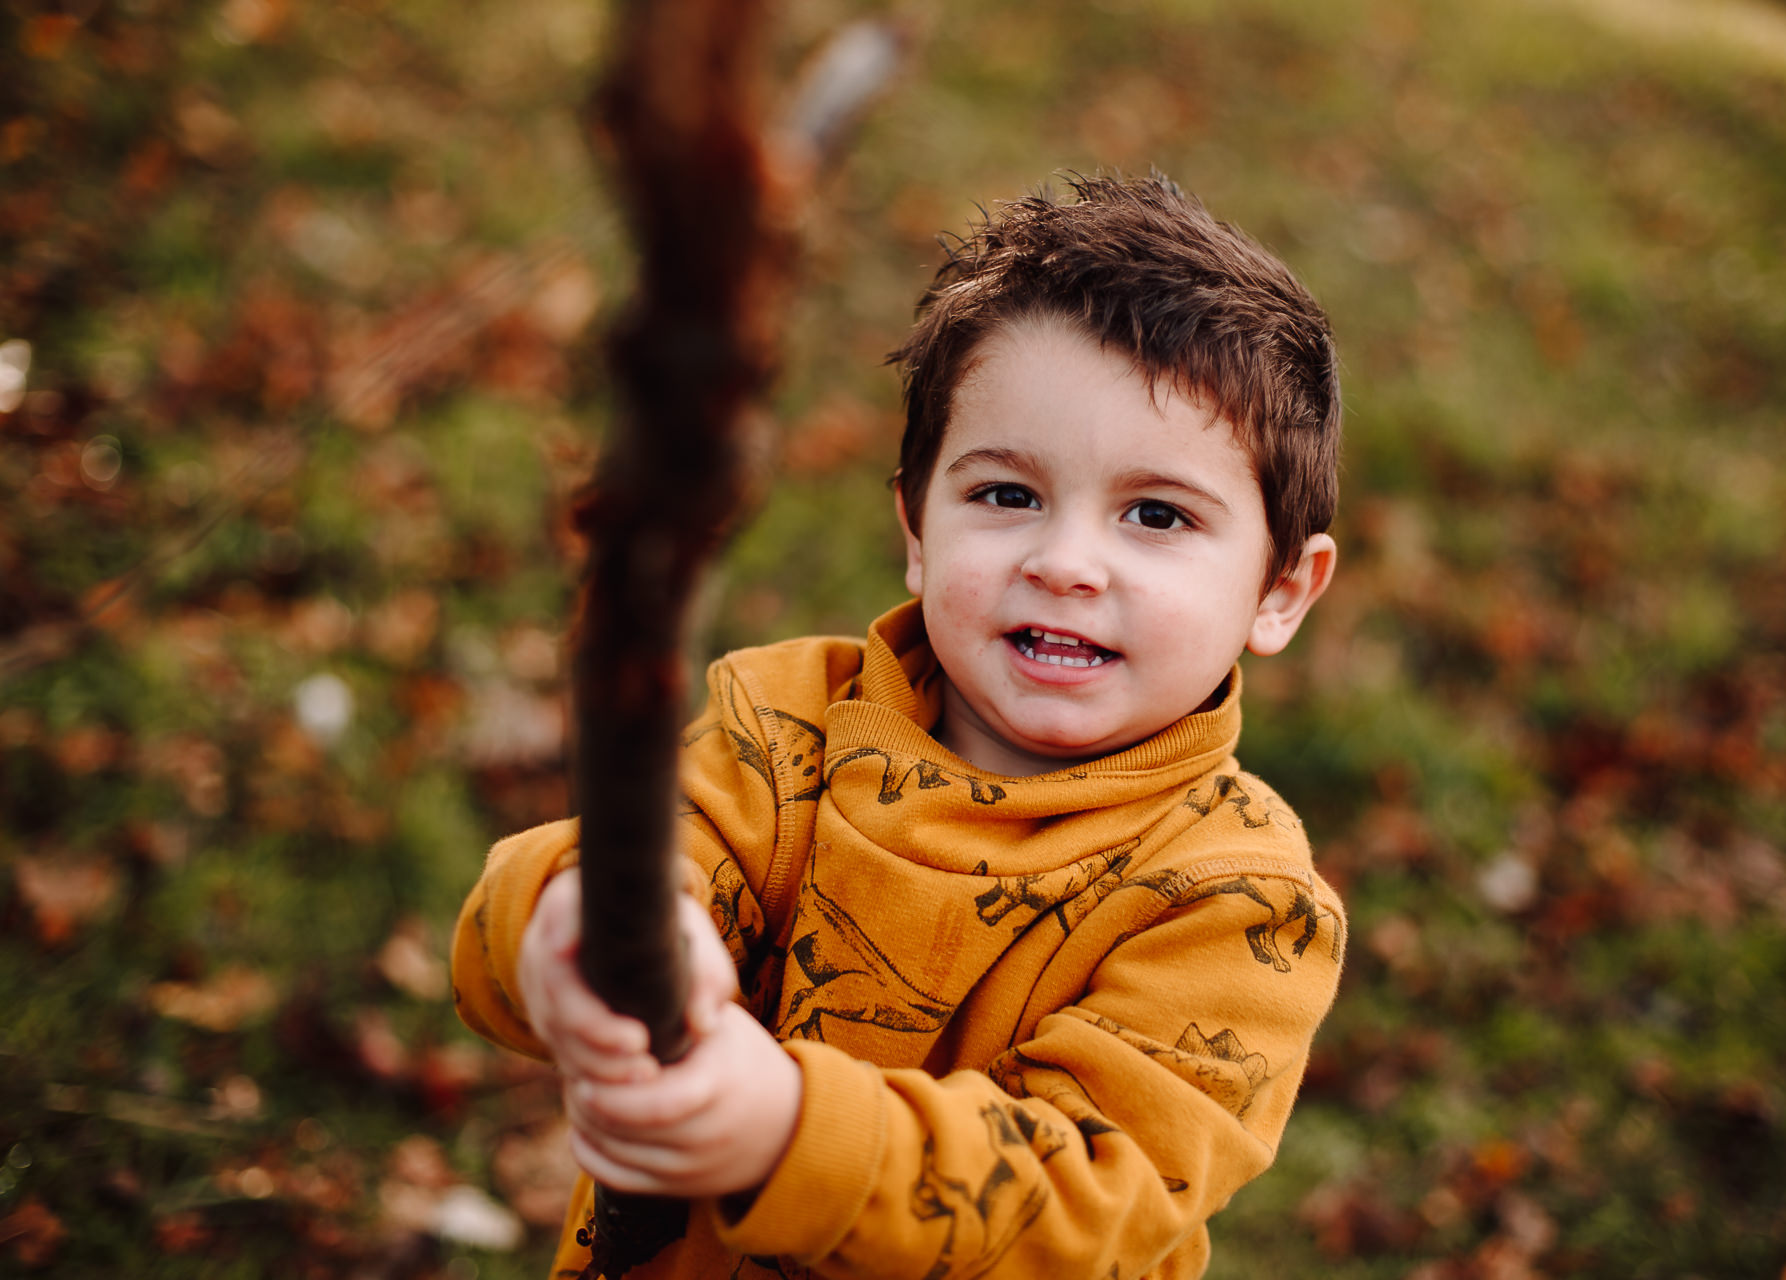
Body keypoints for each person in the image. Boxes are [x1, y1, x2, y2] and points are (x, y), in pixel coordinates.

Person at [450, 173, 1347, 1280]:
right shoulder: (787, 731)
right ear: (915, 527)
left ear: (1281, 590)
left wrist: (786, 1132)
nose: (1065, 562)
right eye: (1007, 494)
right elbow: (644, 863)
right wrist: (570, 925)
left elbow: (1092, 1192)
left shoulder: (1236, 901)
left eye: (1156, 514)